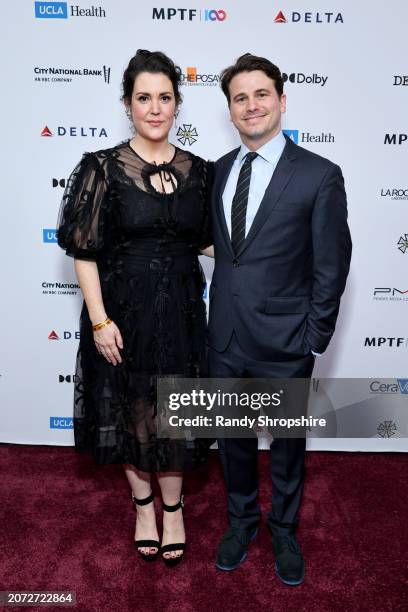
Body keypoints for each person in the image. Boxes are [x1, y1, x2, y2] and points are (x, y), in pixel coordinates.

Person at [57, 49, 213, 567]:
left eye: (164, 97)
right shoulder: (100, 167)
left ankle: (175, 506)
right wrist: (100, 320)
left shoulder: (203, 172)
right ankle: (143, 503)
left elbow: (212, 243)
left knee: (175, 412)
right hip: (121, 315)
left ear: (177, 104)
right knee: (129, 410)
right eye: (143, 98)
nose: (154, 108)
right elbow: (84, 250)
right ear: (128, 104)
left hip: (184, 314)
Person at [208, 53, 352, 584]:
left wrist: (312, 338)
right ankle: (242, 520)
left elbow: (332, 264)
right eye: (240, 97)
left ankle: (284, 528)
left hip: (287, 341)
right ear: (229, 110)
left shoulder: (319, 175)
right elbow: (226, 251)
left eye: (261, 94)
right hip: (223, 338)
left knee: (288, 447)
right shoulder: (219, 170)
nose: (251, 105)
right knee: (233, 441)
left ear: (282, 100)